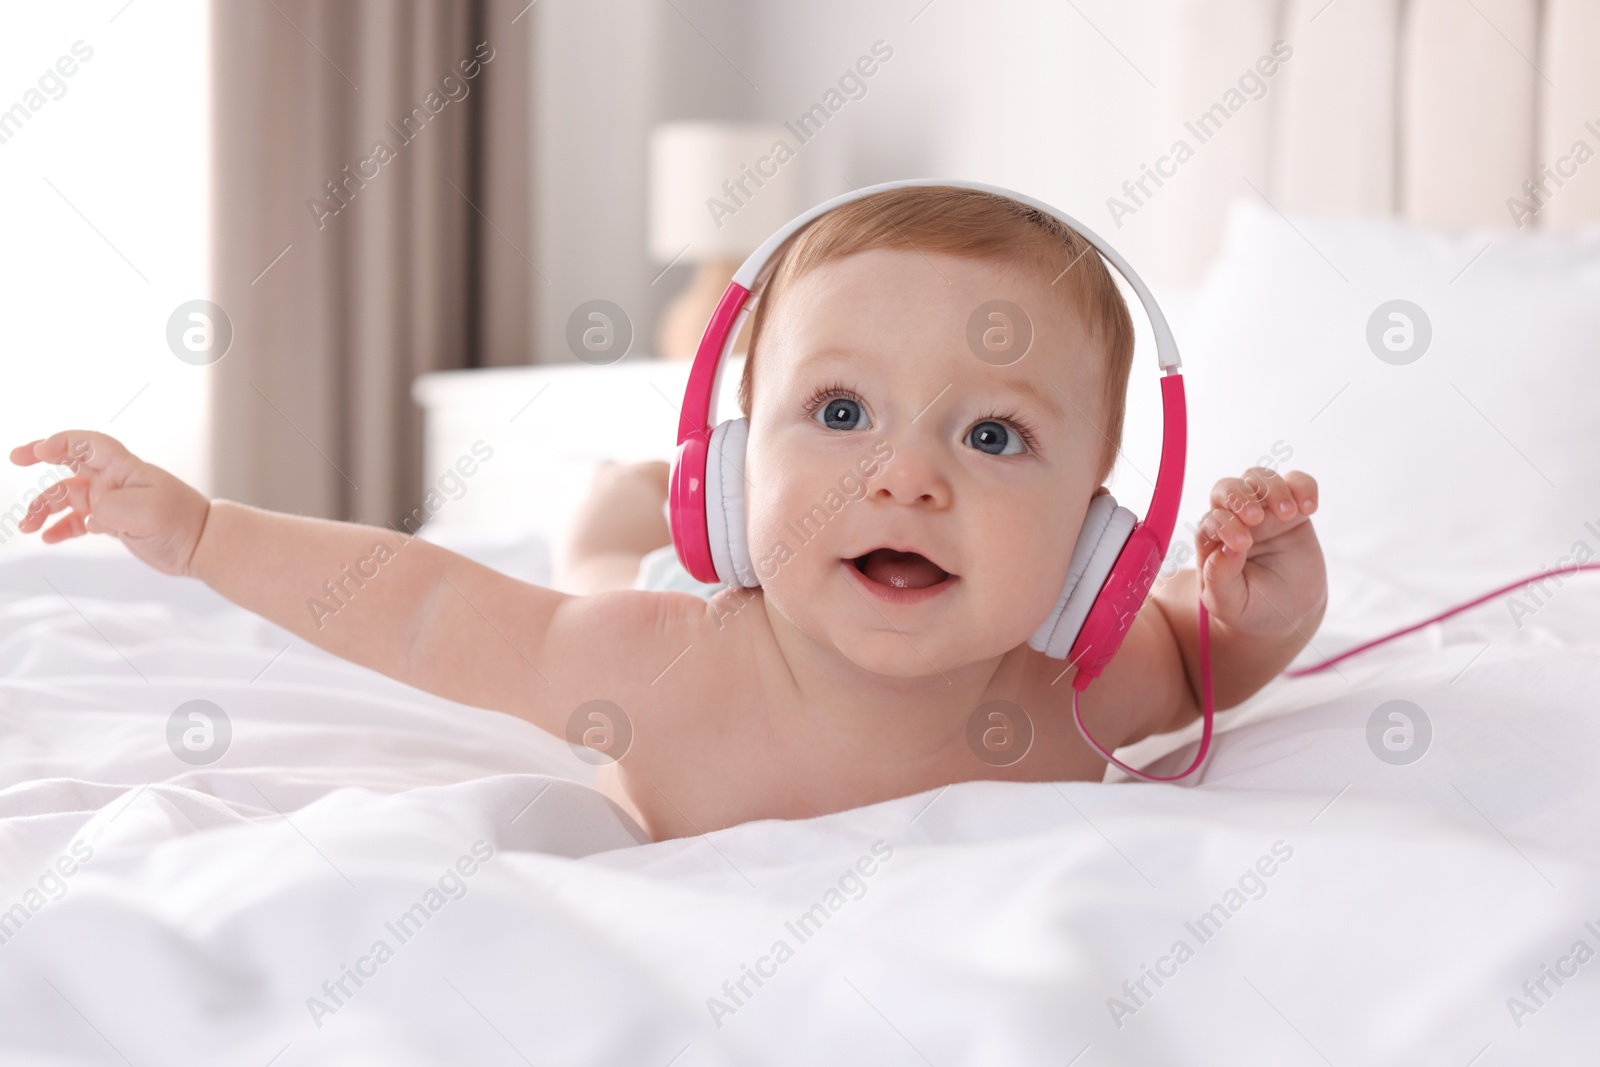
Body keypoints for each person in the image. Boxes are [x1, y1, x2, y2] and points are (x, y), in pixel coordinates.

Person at [9, 185, 1325, 841]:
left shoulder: (1082, 678)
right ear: (734, 469)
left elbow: (1219, 660)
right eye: (843, 413)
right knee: (596, 559)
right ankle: (629, 498)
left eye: (993, 436)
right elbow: (422, 610)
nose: (907, 481)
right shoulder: (661, 664)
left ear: (1099, 545)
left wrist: (1266, 602)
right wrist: (200, 533)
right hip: (652, 585)